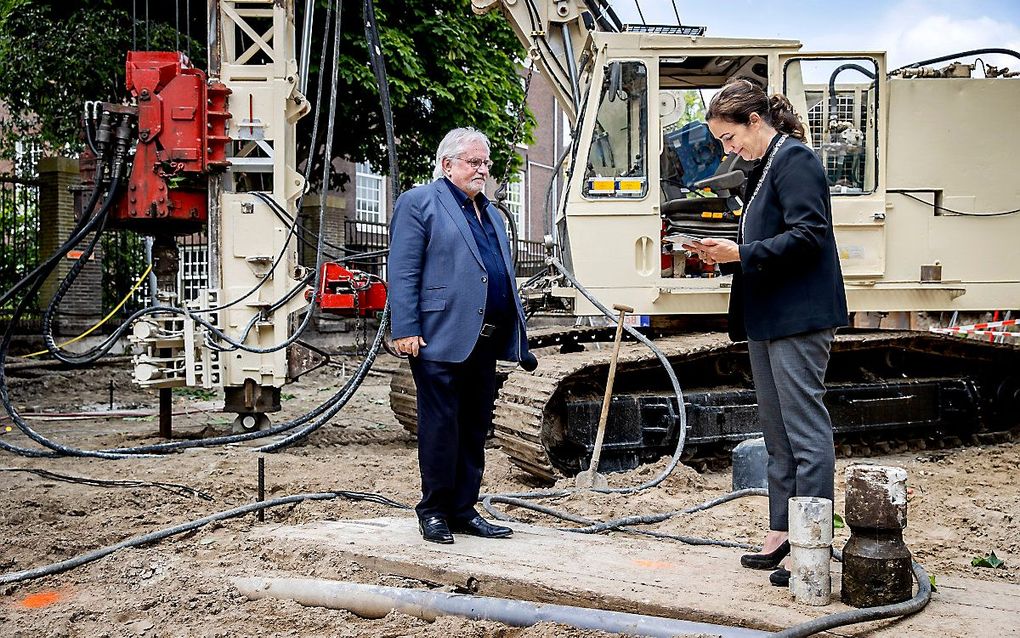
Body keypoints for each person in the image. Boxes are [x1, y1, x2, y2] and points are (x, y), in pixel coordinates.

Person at [689, 80, 848, 586]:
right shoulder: (763, 167)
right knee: (778, 435)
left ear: (755, 121)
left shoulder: (794, 159)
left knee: (804, 431)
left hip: (798, 318)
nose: (726, 148)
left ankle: (812, 541)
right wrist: (725, 252)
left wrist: (740, 254)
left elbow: (809, 235)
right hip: (769, 316)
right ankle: (783, 530)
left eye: (728, 137)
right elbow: (768, 238)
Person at [389, 127, 533, 544]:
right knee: (440, 426)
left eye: (485, 163)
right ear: (447, 164)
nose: (482, 170)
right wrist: (407, 327)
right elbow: (403, 269)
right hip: (437, 337)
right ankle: (433, 510)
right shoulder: (419, 203)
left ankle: (464, 508)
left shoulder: (488, 212)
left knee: (474, 427)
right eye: (474, 162)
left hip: (483, 339)